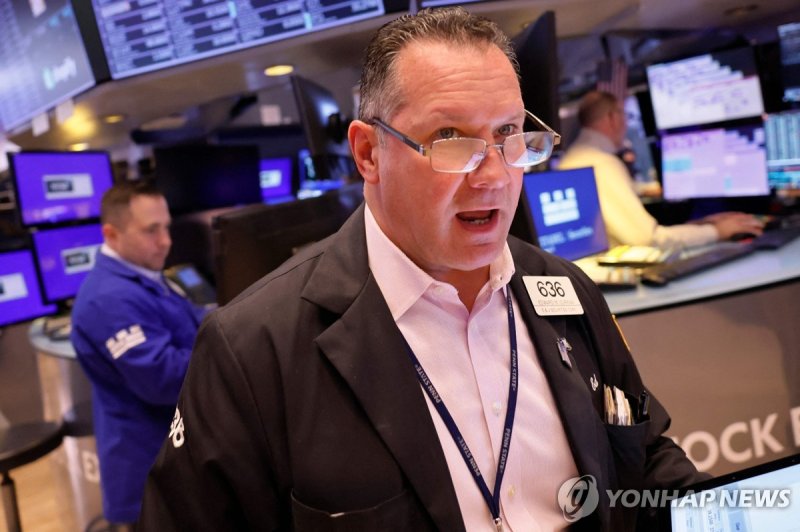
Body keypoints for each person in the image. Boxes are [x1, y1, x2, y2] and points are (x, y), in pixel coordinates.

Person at [139, 8, 705, 531]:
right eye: (450, 140)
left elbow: (645, 461)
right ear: (368, 154)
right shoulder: (251, 350)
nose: (493, 176)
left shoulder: (567, 291)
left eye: (509, 135)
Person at [71, 180, 207, 527]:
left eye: (166, 227)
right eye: (151, 231)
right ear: (111, 234)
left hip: (176, 455)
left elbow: (196, 320)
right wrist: (230, 355)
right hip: (147, 466)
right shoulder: (108, 299)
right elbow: (163, 378)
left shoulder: (145, 275)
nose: (166, 241)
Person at [558, 90, 764, 248]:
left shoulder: (574, 159)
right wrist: (716, 232)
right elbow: (647, 239)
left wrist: (700, 224)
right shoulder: (600, 164)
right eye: (624, 116)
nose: (625, 124)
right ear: (612, 118)